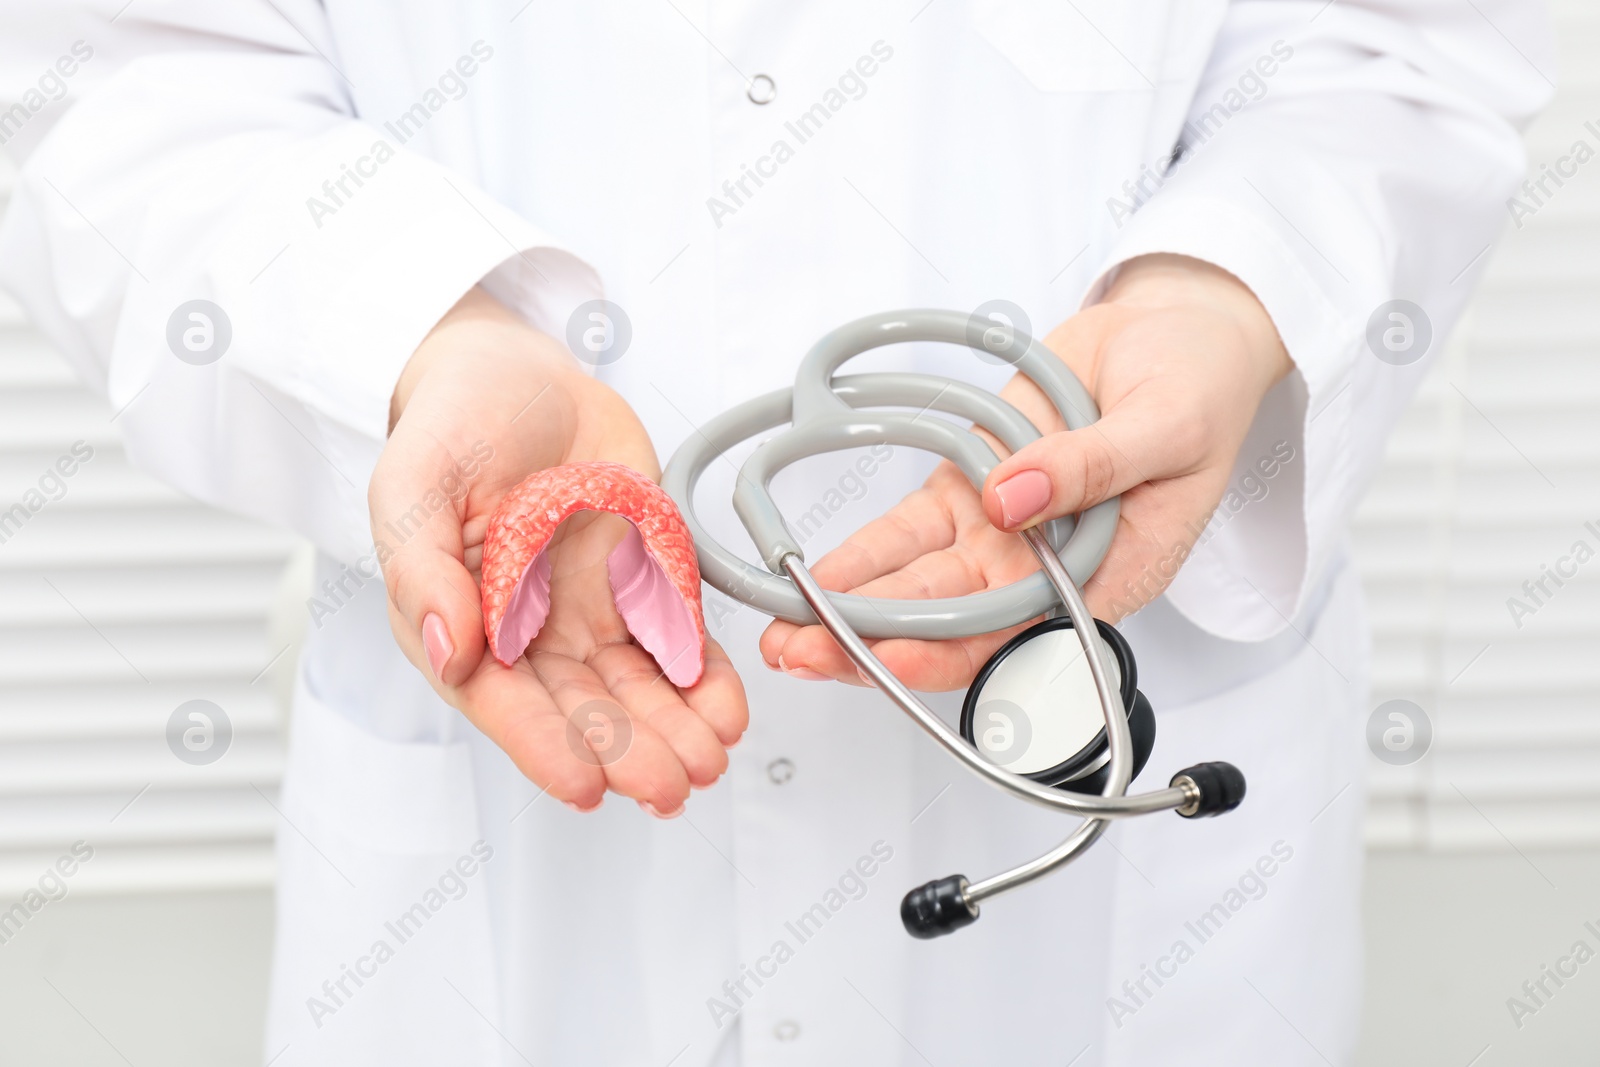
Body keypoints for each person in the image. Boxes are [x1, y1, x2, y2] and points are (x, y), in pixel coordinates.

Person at [0, 1, 1552, 1063]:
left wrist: (1226, 289)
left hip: (1108, 834)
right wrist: (417, 335)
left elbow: (1391, 56)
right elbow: (135, 88)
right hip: (521, 802)